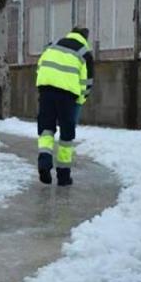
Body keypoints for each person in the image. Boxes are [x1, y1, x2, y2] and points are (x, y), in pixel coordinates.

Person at [35, 27, 94, 186]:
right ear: (85, 38)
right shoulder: (84, 53)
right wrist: (80, 100)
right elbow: (87, 82)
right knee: (66, 135)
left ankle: (44, 163)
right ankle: (63, 176)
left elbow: (40, 66)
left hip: (46, 90)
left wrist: (43, 87)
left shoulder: (53, 45)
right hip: (68, 96)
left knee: (46, 129)